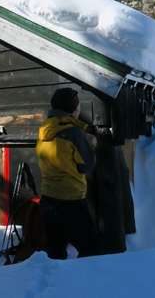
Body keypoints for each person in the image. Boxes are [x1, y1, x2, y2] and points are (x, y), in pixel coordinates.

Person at [35, 87, 100, 259]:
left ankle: (56, 284)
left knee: (55, 252)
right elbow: (87, 166)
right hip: (70, 202)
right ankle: (82, 284)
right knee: (92, 250)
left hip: (48, 199)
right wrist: (91, 144)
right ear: (73, 109)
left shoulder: (45, 129)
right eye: (78, 106)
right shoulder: (74, 133)